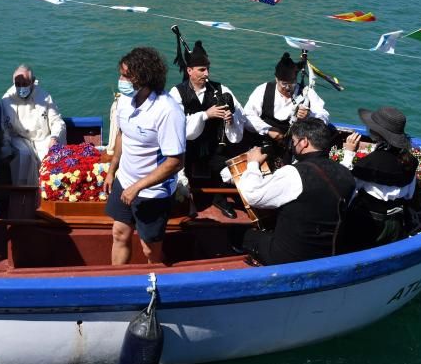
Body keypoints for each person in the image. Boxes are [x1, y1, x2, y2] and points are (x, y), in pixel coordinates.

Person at [105, 47, 186, 265]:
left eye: (125, 75)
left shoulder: (168, 111)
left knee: (149, 249)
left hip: (152, 192)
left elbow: (175, 162)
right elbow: (123, 134)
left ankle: (154, 284)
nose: (120, 80)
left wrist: (138, 187)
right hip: (125, 181)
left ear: (143, 77)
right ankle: (117, 282)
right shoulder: (124, 100)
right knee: (119, 234)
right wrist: (112, 170)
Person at [236, 117, 355, 265]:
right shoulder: (347, 174)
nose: (292, 144)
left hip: (290, 257)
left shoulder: (294, 173)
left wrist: (253, 163)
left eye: (293, 140)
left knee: (239, 234)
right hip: (328, 253)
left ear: (304, 142)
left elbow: (253, 196)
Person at [168, 41, 247, 216]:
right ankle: (184, 199)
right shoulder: (177, 93)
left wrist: (231, 119)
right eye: (202, 70)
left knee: (224, 166)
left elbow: (241, 115)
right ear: (189, 71)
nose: (207, 74)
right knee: (176, 168)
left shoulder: (221, 89)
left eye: (207, 69)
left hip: (214, 144)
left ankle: (219, 198)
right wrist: (205, 115)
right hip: (186, 147)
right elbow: (176, 126)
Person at [339, 107, 417, 250]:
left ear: (376, 134)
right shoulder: (410, 161)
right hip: (396, 224)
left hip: (366, 223)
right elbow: (409, 195)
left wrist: (349, 154)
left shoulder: (370, 163)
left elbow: (343, 187)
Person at [244, 52, 328, 156]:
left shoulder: (307, 92)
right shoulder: (263, 89)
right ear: (276, 79)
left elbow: (324, 117)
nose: (288, 87)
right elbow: (247, 116)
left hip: (294, 149)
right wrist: (268, 130)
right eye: (284, 84)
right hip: (262, 144)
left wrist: (309, 116)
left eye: (292, 82)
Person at [0, 64, 66, 185]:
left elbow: (57, 121)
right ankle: (23, 190)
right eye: (18, 84)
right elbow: (4, 128)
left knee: (50, 155)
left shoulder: (44, 97)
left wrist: (55, 137)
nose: (21, 87)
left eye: (25, 84)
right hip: (20, 138)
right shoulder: (7, 100)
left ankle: (50, 189)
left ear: (32, 81)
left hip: (43, 138)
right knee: (23, 155)